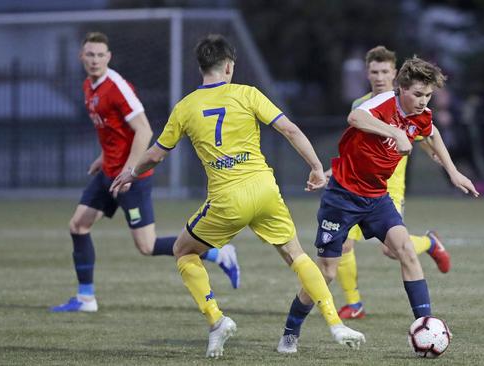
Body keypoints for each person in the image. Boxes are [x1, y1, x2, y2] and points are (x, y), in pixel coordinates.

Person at [110, 34, 365, 359]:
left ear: (202, 66)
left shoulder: (186, 107)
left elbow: (156, 155)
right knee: (296, 255)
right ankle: (335, 322)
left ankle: (217, 320)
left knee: (183, 251)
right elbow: (290, 129)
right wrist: (316, 167)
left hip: (228, 199)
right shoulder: (248, 94)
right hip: (265, 190)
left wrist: (130, 172)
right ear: (229, 66)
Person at [277, 56, 479, 353]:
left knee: (406, 251)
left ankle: (426, 326)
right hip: (342, 198)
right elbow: (356, 118)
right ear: (401, 89)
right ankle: (290, 332)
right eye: (417, 94)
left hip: (377, 197)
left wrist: (453, 171)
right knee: (327, 273)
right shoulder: (383, 103)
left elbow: (432, 132)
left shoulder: (421, 114)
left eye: (428, 95)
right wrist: (395, 132)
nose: (423, 101)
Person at [51, 32, 240, 313]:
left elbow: (144, 130)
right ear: (81, 56)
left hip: (130, 177)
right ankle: (86, 298)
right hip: (109, 174)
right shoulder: (89, 87)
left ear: (108, 57)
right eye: (90, 54)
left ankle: (217, 252)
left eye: (100, 55)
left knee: (147, 246)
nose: (94, 60)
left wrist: (130, 171)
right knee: (78, 225)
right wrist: (102, 158)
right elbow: (115, 131)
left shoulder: (117, 87)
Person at [326, 46, 451, 321]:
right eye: (374, 71)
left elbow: (424, 135)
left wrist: (439, 158)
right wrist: (330, 171)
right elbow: (354, 142)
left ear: (395, 74)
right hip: (355, 185)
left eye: (385, 71)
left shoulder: (408, 104)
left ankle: (429, 244)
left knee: (391, 249)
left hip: (388, 189)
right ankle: (354, 302)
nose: (379, 77)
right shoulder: (361, 104)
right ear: (367, 74)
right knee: (344, 244)